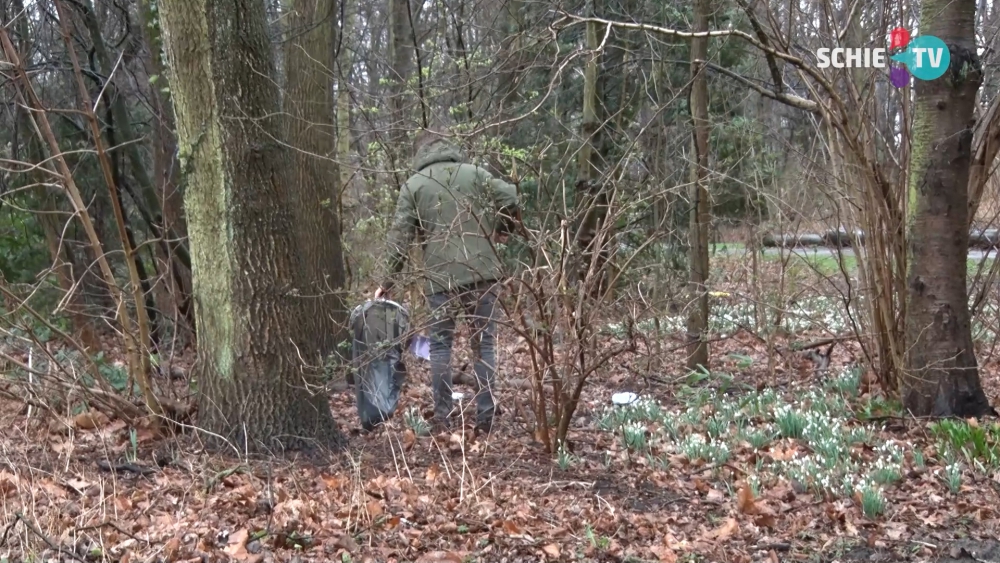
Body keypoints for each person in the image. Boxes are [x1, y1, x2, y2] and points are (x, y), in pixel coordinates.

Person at [374, 130, 520, 434]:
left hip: (441, 280)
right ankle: (486, 418)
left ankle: (443, 417)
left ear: (420, 154)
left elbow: (400, 237)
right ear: (449, 148)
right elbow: (509, 194)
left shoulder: (414, 185)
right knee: (484, 346)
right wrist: (502, 228)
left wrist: (386, 281)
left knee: (440, 348)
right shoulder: (476, 174)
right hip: (483, 274)